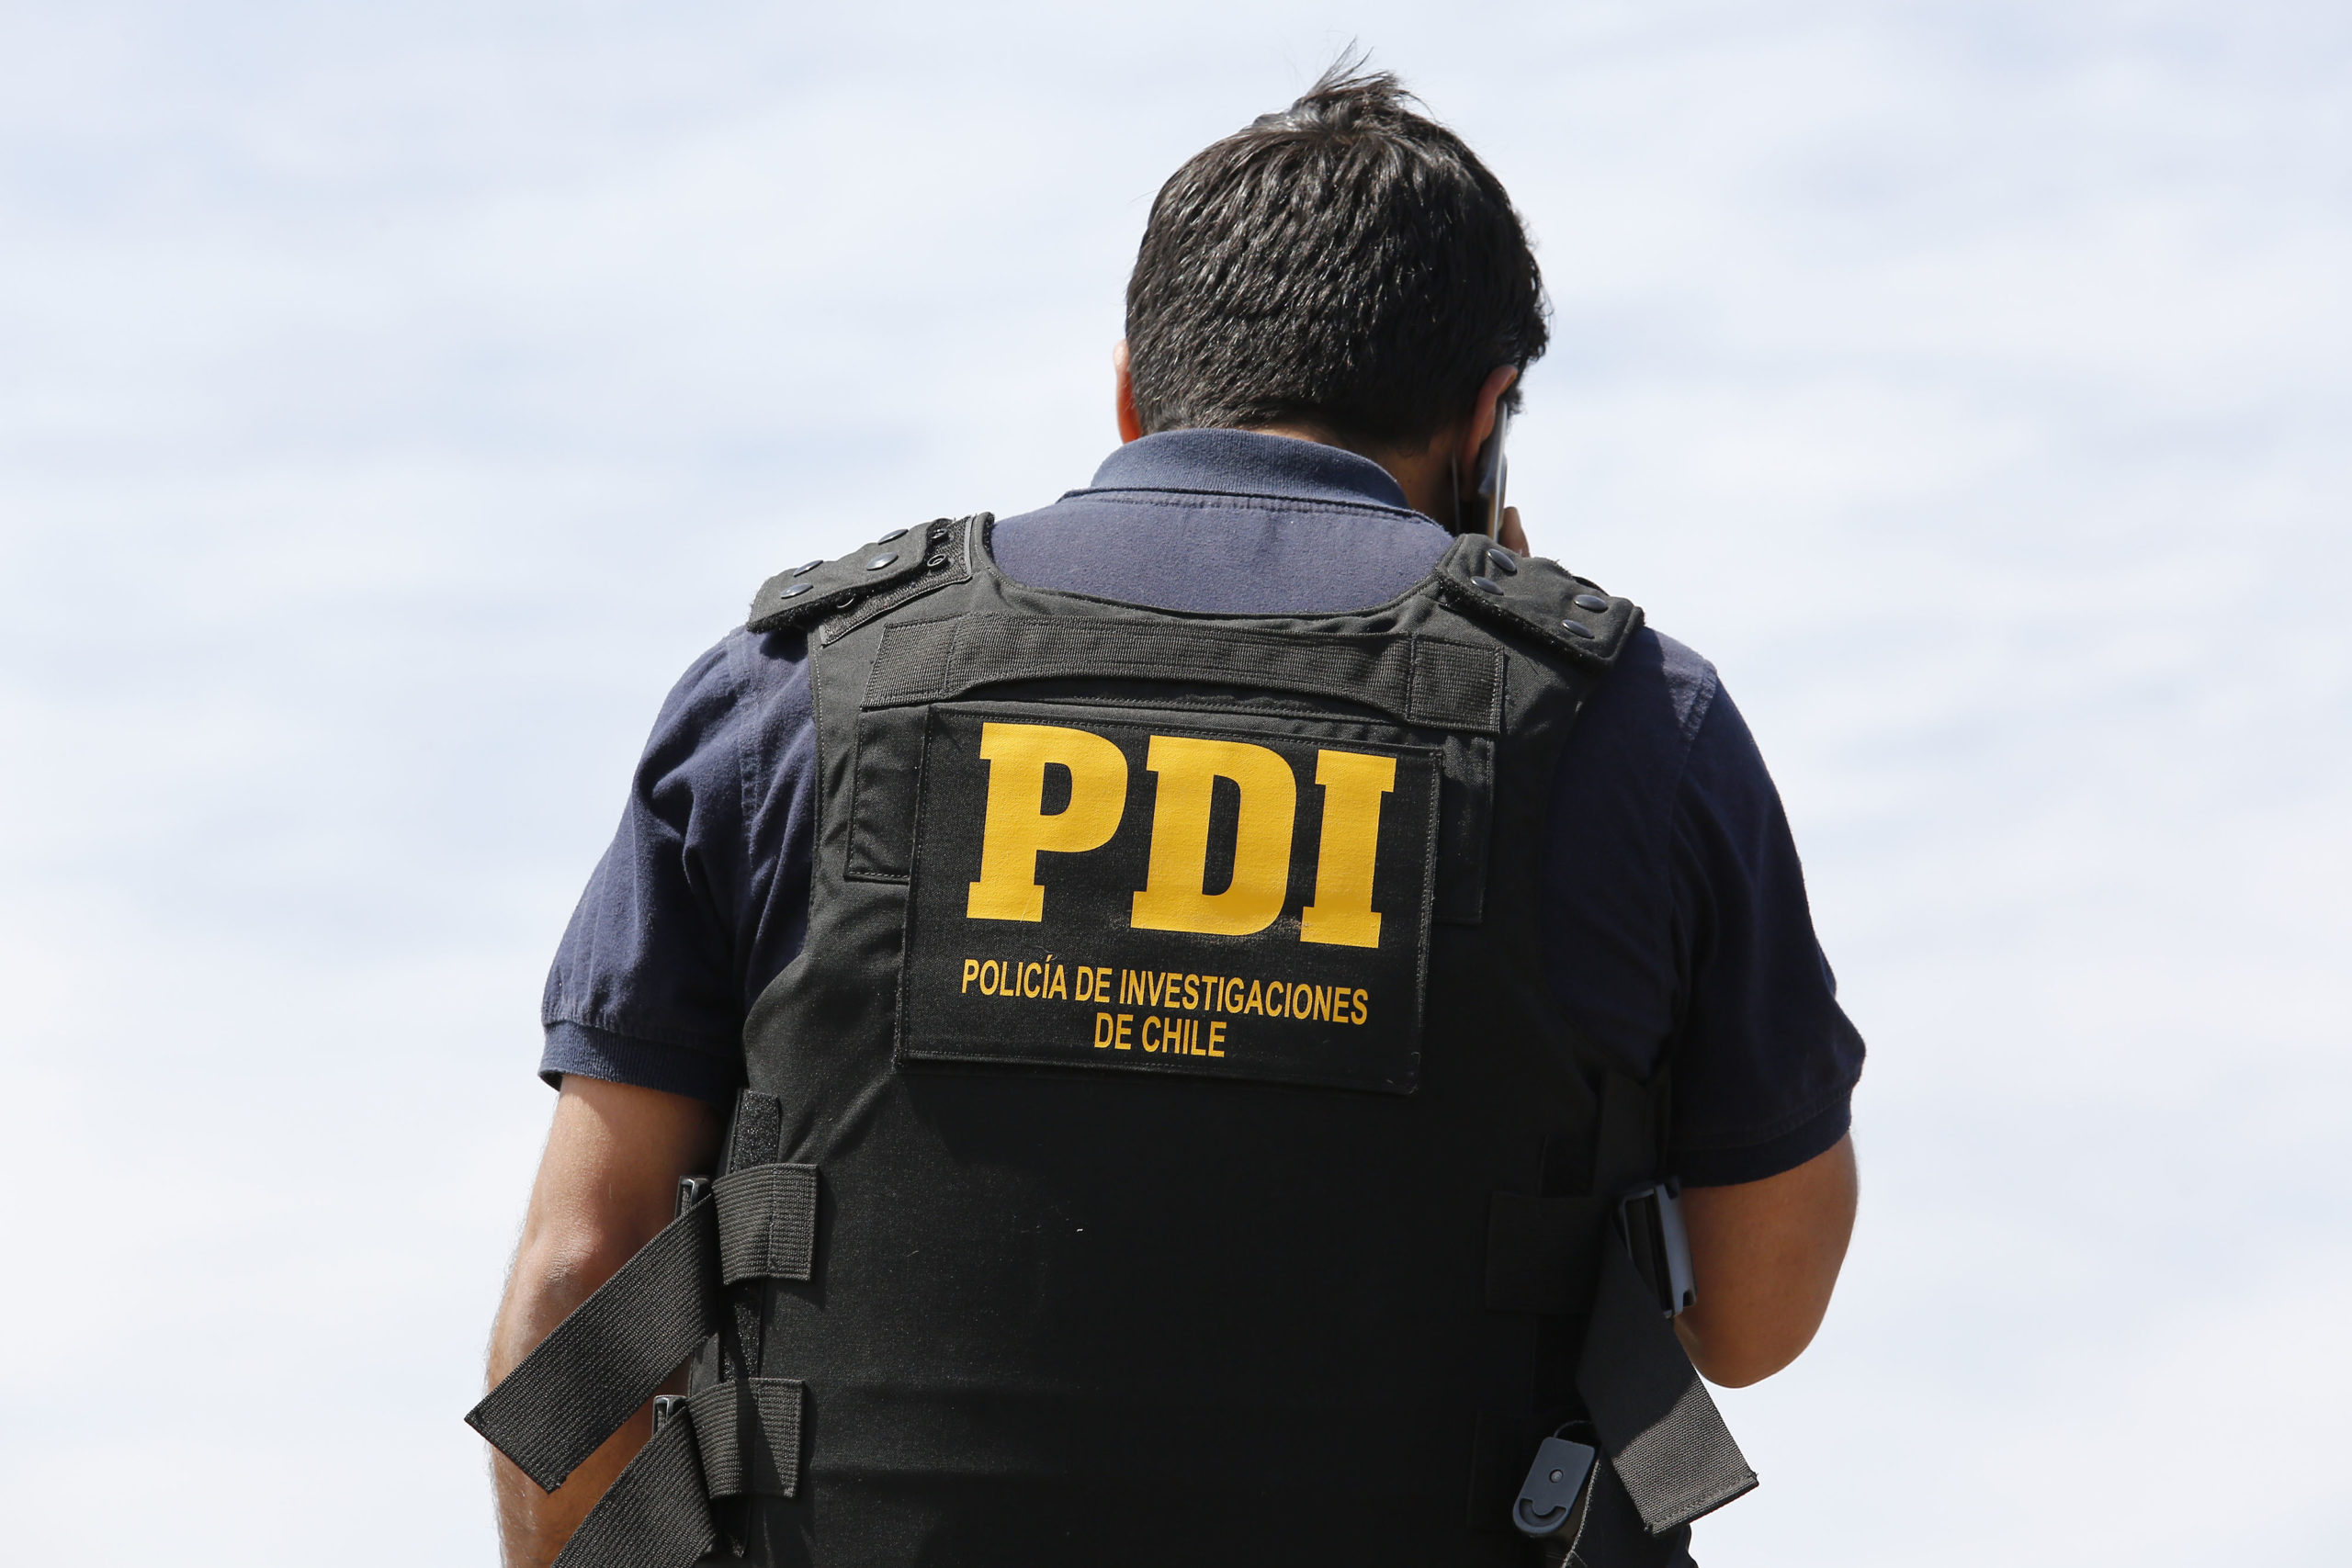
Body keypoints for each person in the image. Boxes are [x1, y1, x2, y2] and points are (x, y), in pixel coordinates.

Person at [475, 62, 1862, 1568]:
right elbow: (1756, 1314)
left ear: (1133, 391)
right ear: (1486, 421)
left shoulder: (792, 695)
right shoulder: (1634, 727)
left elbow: (576, 1284)